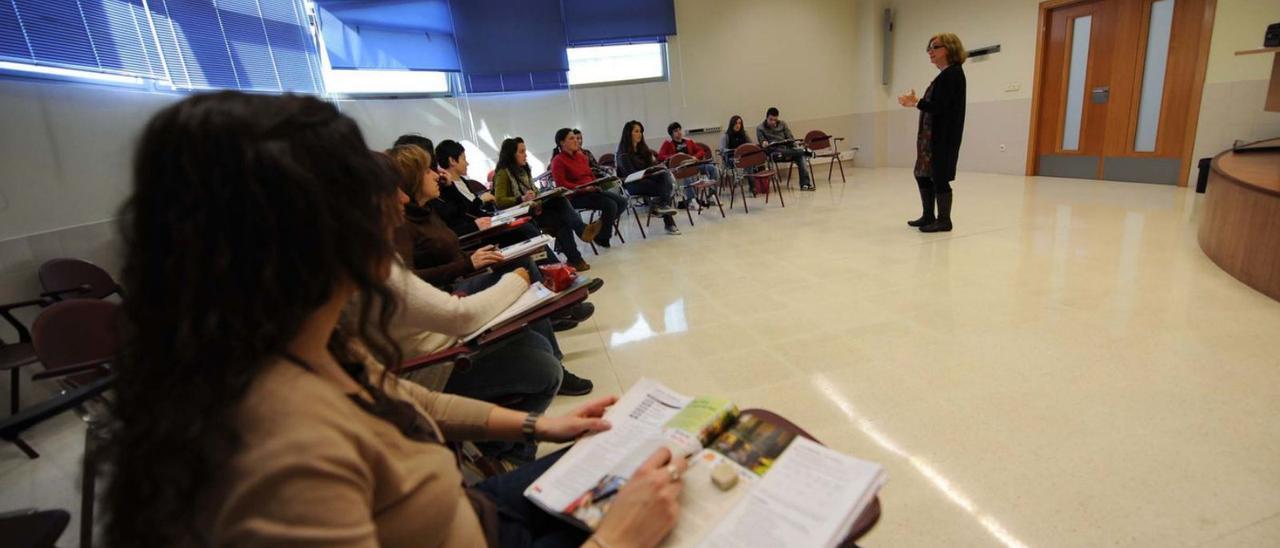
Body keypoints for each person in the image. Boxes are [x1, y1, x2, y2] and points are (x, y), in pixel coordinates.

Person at [101, 91, 685, 548]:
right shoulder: (280, 462)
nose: (401, 203)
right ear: (310, 230)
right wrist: (615, 537)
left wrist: (536, 428)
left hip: (472, 516)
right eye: (371, 188)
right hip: (476, 527)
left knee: (652, 454)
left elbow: (409, 398)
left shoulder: (289, 343)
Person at [386, 144, 599, 381]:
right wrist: (467, 264)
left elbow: (455, 237)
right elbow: (410, 279)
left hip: (462, 273)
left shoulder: (427, 211)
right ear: (413, 179)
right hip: (449, 291)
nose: (437, 174)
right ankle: (557, 327)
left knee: (523, 253)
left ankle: (555, 313)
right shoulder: (403, 224)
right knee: (522, 264)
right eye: (428, 171)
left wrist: (471, 258)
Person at [494, 137, 601, 270]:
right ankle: (575, 256)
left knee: (560, 201)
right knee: (561, 220)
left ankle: (578, 249)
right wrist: (521, 199)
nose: (525, 154)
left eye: (525, 151)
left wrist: (540, 194)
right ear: (511, 154)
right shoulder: (503, 173)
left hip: (534, 209)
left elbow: (534, 190)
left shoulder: (524, 169)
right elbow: (499, 201)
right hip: (522, 217)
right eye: (521, 152)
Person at [899, 32, 967, 233]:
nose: (930, 51)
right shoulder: (944, 75)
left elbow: (941, 107)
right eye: (929, 47)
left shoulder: (953, 74)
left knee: (939, 176)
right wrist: (917, 102)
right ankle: (928, 215)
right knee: (922, 174)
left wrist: (916, 102)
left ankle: (944, 220)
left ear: (949, 49)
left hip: (943, 137)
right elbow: (937, 105)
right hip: (930, 137)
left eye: (935, 47)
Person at [550, 127, 629, 248]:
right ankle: (603, 237)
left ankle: (597, 231)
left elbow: (590, 174)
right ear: (562, 142)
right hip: (575, 196)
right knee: (610, 205)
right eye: (571, 138)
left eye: (576, 138)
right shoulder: (557, 161)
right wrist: (582, 188)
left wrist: (596, 183)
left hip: (592, 190)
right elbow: (561, 185)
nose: (576, 140)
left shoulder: (581, 156)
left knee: (623, 201)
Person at [615, 120, 681, 235]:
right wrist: (650, 173)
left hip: (647, 180)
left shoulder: (644, 150)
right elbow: (631, 174)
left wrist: (659, 168)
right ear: (628, 133)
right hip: (632, 184)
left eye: (641, 131)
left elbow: (653, 166)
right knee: (664, 188)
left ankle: (660, 205)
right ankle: (664, 214)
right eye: (636, 131)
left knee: (665, 175)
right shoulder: (622, 153)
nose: (639, 134)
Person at [658, 122, 719, 208]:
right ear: (671, 134)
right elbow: (660, 156)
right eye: (676, 131)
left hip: (693, 165)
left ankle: (711, 195)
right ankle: (691, 200)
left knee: (713, 169)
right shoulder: (667, 143)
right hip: (679, 169)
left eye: (679, 130)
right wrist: (675, 156)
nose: (679, 132)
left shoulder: (688, 141)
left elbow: (701, 151)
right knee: (687, 174)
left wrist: (695, 157)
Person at [756, 107, 814, 191]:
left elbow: (790, 138)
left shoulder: (782, 124)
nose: (773, 122)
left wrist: (794, 145)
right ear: (766, 117)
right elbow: (762, 142)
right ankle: (803, 151)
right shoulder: (760, 128)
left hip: (788, 149)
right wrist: (764, 143)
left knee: (801, 157)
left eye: (775, 120)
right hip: (774, 152)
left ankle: (805, 184)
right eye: (771, 119)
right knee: (800, 153)